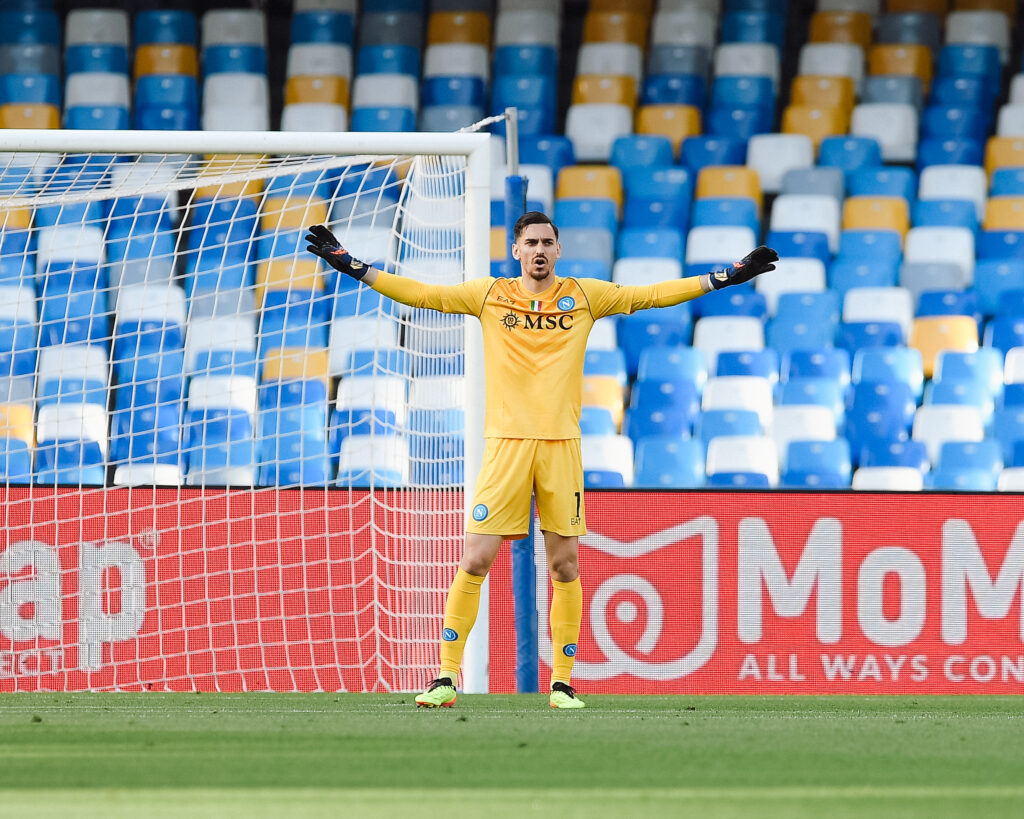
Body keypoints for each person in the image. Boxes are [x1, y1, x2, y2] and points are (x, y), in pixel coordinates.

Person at [306, 214, 778, 709]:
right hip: (506, 446)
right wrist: (352, 266)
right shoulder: (489, 295)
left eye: (547, 243)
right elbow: (422, 294)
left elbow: (654, 294)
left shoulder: (586, 295)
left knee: (564, 564)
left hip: (560, 447)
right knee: (475, 558)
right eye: (529, 242)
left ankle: (563, 684)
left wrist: (727, 276)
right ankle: (445, 677)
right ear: (515, 250)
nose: (538, 249)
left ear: (558, 250)